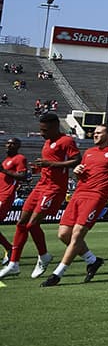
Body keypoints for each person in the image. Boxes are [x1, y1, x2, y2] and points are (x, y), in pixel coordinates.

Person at [41, 122, 108, 286]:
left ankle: (57, 274)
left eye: (99, 132)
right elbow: (82, 176)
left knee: (77, 235)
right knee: (63, 234)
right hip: (79, 193)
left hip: (96, 196)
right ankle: (92, 260)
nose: (95, 134)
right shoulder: (89, 152)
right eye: (94, 132)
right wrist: (77, 171)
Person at [0, 114, 81, 279]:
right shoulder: (47, 142)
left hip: (54, 188)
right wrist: (39, 168)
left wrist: (50, 164)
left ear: (55, 126)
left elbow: (76, 160)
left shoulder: (66, 141)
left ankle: (44, 256)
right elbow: (48, 164)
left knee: (32, 225)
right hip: (41, 186)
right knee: (21, 223)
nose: (42, 133)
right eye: (41, 129)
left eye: (45, 130)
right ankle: (14, 263)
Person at [1, 138, 31, 265]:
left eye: (12, 143)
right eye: (8, 143)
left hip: (5, 196)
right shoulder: (6, 160)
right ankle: (9, 248)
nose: (9, 145)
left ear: (18, 146)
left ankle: (9, 248)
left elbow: (23, 176)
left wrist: (3, 170)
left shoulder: (20, 158)